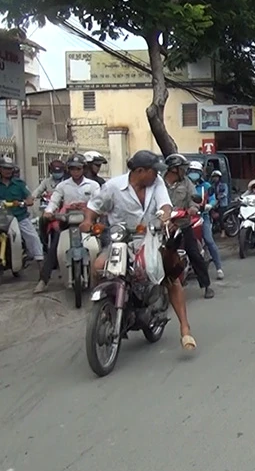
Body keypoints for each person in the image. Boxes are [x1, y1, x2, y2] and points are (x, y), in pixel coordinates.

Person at [83, 150, 197, 350]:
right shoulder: (113, 187)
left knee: (170, 276)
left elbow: (165, 206)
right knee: (98, 266)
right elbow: (94, 206)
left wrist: (165, 217)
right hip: (121, 240)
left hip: (150, 238)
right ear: (140, 171)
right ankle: (102, 310)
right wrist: (87, 220)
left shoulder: (157, 183)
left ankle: (185, 329)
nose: (157, 175)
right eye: (154, 171)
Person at [34, 153, 101, 293]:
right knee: (54, 248)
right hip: (67, 222)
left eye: (78, 168)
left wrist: (90, 208)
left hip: (88, 221)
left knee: (104, 243)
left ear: (83, 168)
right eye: (72, 169)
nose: (75, 172)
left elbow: (99, 201)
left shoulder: (93, 185)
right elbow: (54, 200)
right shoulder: (63, 185)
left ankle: (103, 278)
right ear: (68, 170)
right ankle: (43, 280)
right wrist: (49, 211)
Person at [162, 154, 215, 299]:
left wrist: (193, 208)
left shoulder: (186, 183)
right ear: (174, 169)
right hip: (162, 227)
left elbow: (194, 198)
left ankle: (206, 285)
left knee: (194, 254)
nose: (185, 171)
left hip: (183, 224)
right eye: (182, 168)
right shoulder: (159, 183)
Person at [0, 155, 44, 266]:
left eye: (10, 168)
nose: (7, 171)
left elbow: (29, 198)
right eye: (5, 168)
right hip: (2, 218)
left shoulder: (19, 184)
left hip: (19, 217)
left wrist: (23, 202)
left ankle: (41, 266)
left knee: (33, 237)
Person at [187, 161, 224, 280]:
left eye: (196, 172)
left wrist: (210, 205)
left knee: (209, 240)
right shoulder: (184, 186)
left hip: (203, 216)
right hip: (186, 218)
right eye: (191, 171)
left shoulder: (206, 186)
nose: (193, 174)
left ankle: (219, 268)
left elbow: (213, 199)